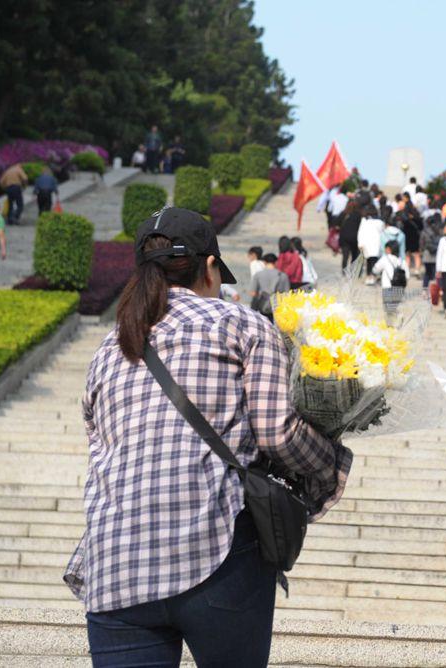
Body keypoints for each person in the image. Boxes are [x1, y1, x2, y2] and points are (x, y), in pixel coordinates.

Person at [65, 207, 351, 666]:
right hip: (213, 552)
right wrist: (332, 460)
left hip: (115, 563)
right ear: (210, 266)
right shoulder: (242, 324)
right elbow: (278, 433)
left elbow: (98, 445)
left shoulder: (109, 347)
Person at [372, 239, 409, 319]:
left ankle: (396, 318)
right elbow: (407, 276)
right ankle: (397, 318)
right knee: (393, 307)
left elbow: (375, 269)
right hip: (400, 288)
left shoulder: (385, 259)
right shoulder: (402, 261)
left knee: (388, 309)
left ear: (388, 249)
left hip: (387, 287)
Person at [249, 252, 291, 318]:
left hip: (262, 307)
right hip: (278, 309)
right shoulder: (283, 276)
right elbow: (287, 295)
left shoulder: (258, 275)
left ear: (264, 262)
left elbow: (253, 293)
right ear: (276, 262)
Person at [357, 208, 386, 285]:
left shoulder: (365, 222)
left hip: (367, 244)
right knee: (374, 261)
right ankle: (372, 277)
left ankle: (368, 276)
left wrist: (360, 244)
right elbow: (383, 232)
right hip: (376, 244)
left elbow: (360, 233)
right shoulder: (380, 222)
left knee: (369, 261)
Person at [338, 200, 362, 270]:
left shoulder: (343, 213)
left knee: (345, 256)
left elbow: (335, 222)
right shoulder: (359, 215)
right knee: (354, 255)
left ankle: (344, 271)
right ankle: (352, 270)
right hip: (355, 238)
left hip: (344, 238)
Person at [419, 216, 441, 289]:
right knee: (436, 273)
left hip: (427, 254)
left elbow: (421, 244)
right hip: (436, 253)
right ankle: (437, 289)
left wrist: (421, 252)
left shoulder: (424, 232)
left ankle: (425, 288)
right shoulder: (438, 231)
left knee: (427, 273)